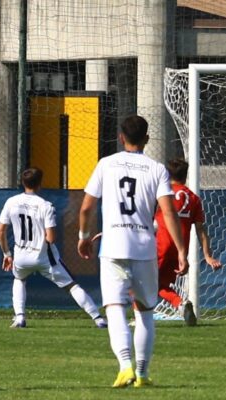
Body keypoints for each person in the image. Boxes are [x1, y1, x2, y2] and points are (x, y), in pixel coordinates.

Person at [78, 115, 187, 388]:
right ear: (147, 139)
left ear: (120, 137)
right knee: (145, 311)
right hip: (143, 248)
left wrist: (83, 236)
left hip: (113, 246)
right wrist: (182, 250)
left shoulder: (106, 164)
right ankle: (143, 374)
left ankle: (125, 367)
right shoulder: (157, 169)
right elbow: (168, 211)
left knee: (115, 308)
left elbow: (86, 207)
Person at [0, 167, 107, 329]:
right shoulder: (45, 205)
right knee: (71, 285)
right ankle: (98, 319)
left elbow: (0, 232)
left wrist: (7, 254)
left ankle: (20, 317)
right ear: (40, 184)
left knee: (19, 280)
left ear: (23, 183)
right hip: (43, 256)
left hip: (20, 255)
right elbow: (51, 237)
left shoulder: (11, 202)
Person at [155, 158, 222, 327]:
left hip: (159, 245)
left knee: (139, 281)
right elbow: (201, 230)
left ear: (166, 174)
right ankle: (180, 304)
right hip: (179, 250)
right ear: (186, 176)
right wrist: (208, 256)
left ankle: (140, 316)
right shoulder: (193, 198)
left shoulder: (161, 193)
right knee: (159, 284)